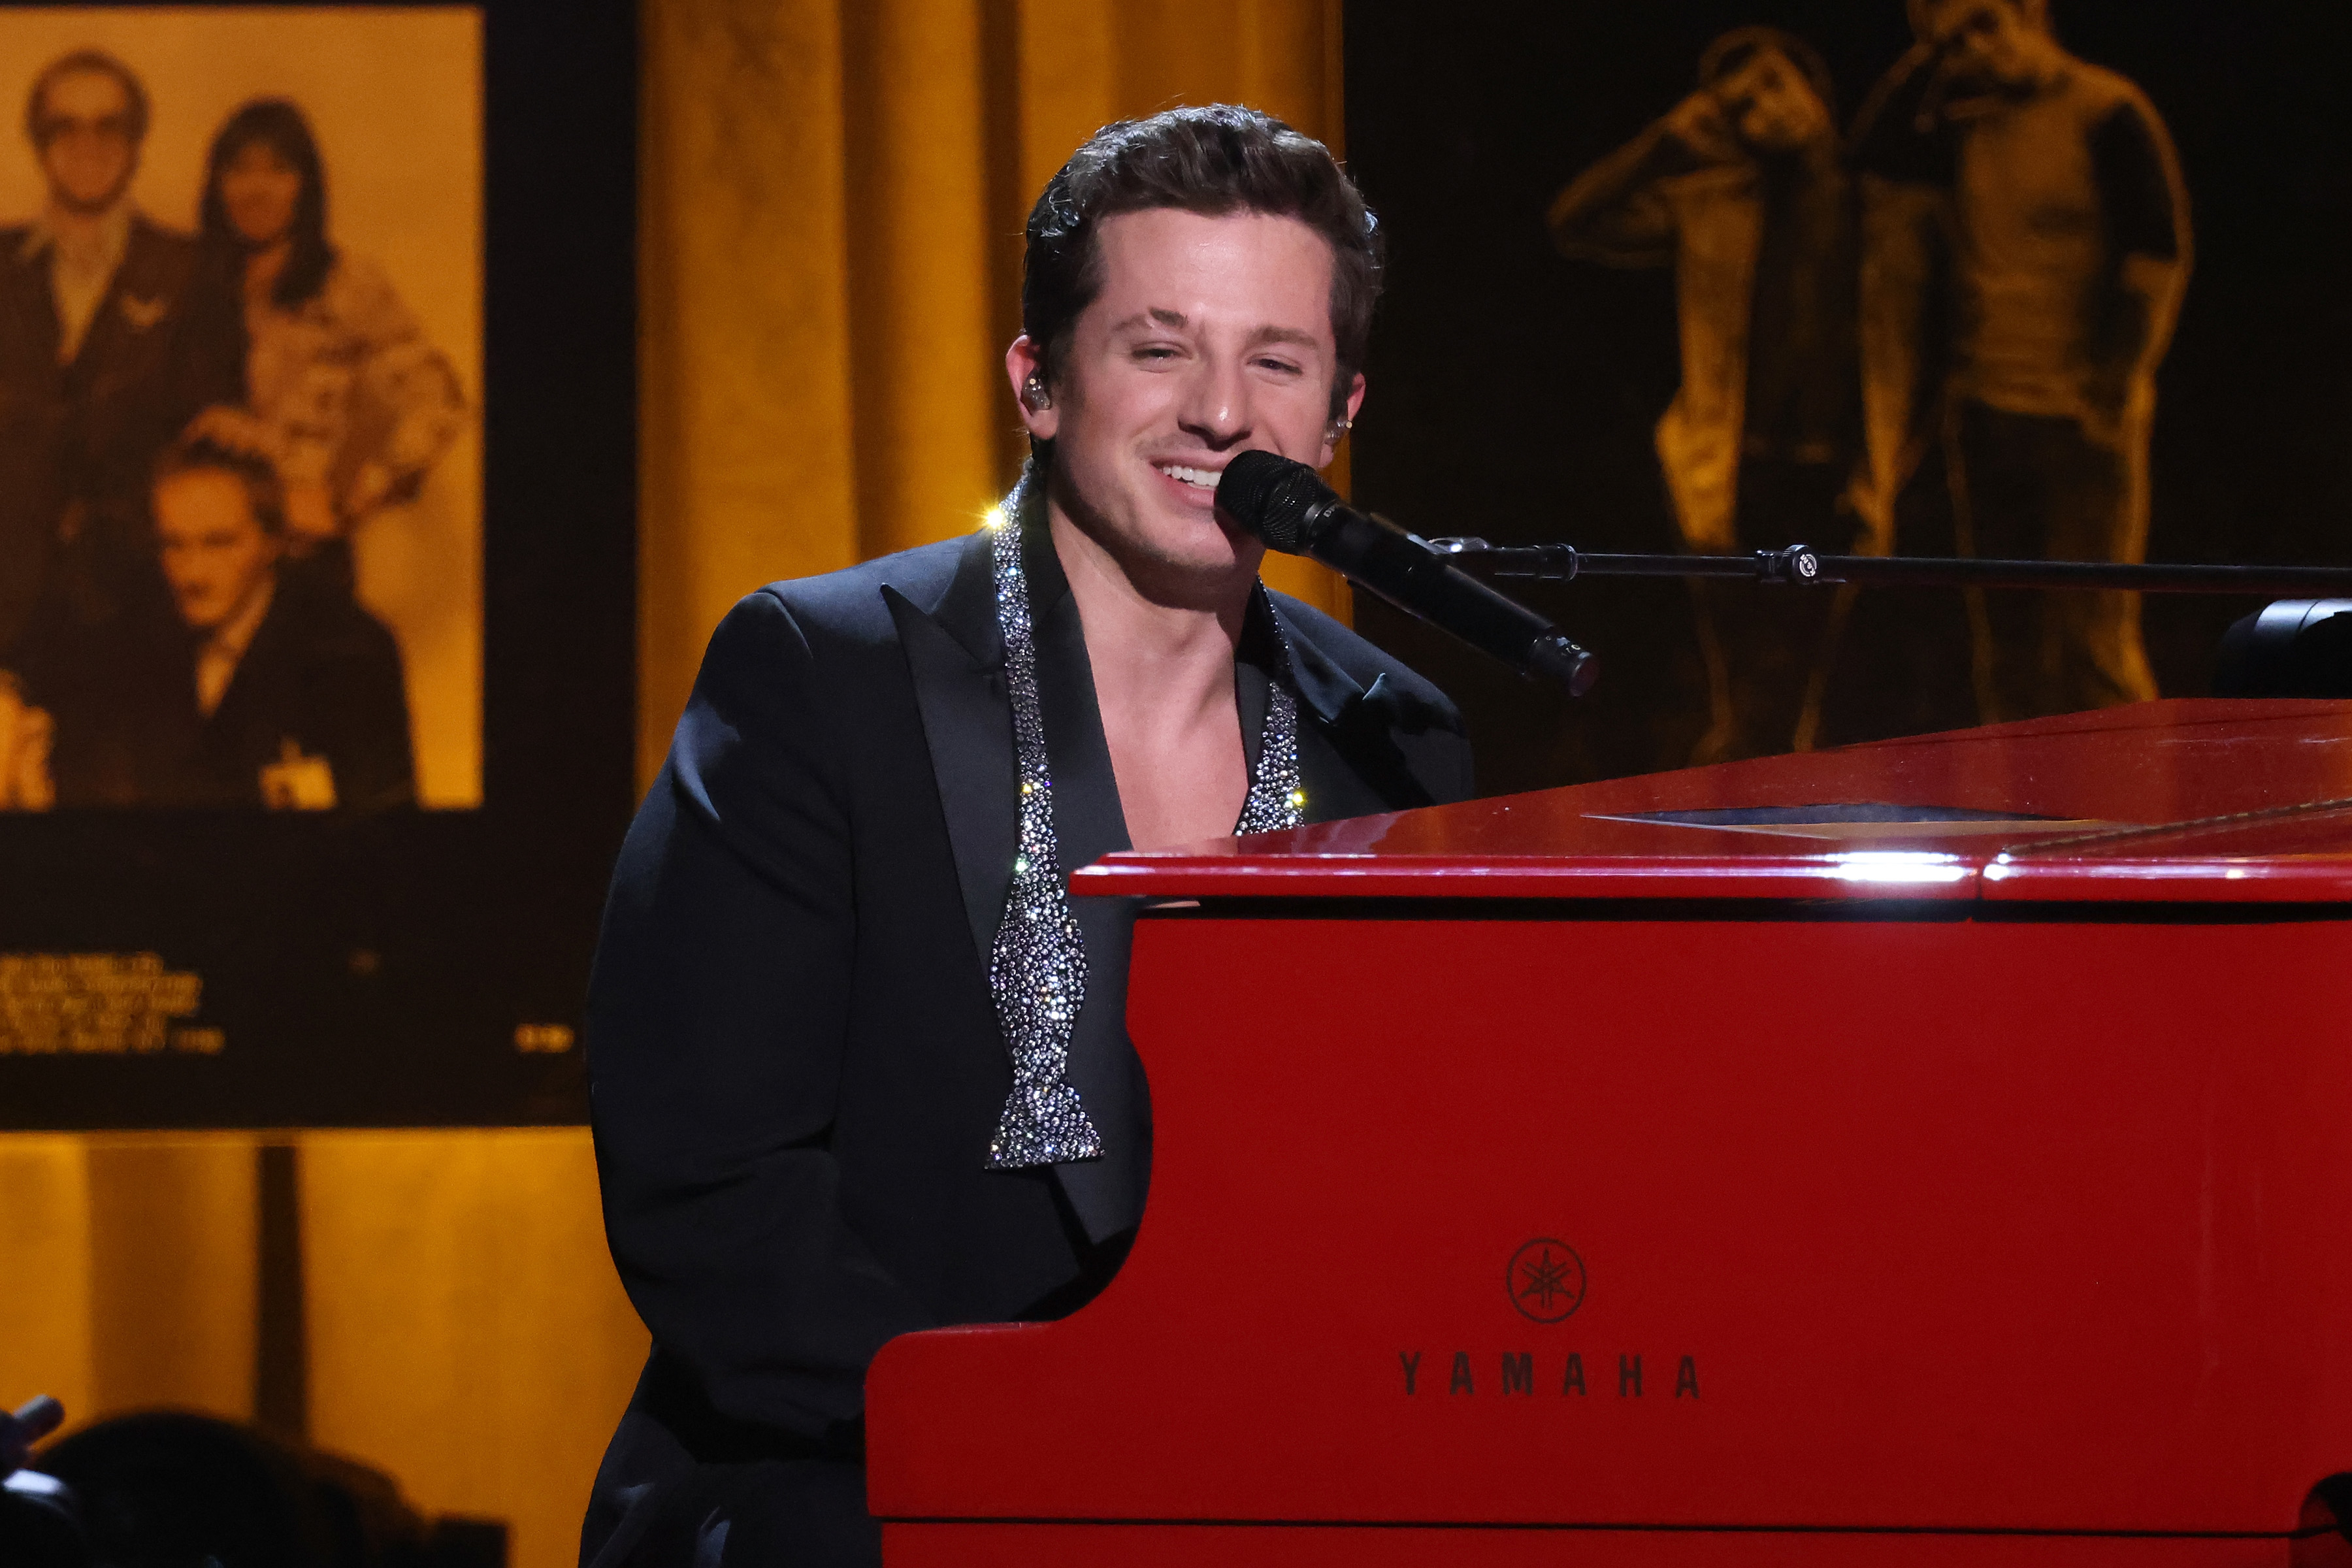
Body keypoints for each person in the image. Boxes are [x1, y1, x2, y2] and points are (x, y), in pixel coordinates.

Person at [580, 105, 1474, 1567]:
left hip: (1251, 1492)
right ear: (1039, 383)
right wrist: (1047, 1446)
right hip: (864, 1488)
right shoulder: (817, 672)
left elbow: (1406, 1195)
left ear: (1341, 414)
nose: (1220, 413)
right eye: (1159, 346)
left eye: (1275, 361)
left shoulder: (1394, 735)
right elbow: (712, 1197)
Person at [1852, 0, 2190, 722]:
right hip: (1985, 414)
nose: (1973, 50)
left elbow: (2155, 258)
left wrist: (2110, 389)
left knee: (2091, 641)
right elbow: (1868, 162)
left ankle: (2142, 820)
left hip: (2079, 420)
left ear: (2028, 13)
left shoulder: (2106, 110)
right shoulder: (1968, 123)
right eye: (1952, 43)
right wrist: (1925, 60)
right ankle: (2028, 821)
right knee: (2002, 643)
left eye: (1984, 24)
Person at [1549, 27, 1861, 762]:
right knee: (1751, 680)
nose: (1766, 110)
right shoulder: (1714, 203)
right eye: (1741, 104)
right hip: (1736, 471)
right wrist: (1667, 140)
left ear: (1816, 87)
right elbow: (1578, 222)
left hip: (1849, 475)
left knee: (1819, 685)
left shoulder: (1882, 205)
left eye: (1775, 85)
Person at [0, 50, 242, 672]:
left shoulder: (195, 271)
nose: (89, 144)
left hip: (144, 616)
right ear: (37, 142)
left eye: (110, 125)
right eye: (66, 126)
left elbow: (211, 441)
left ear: (137, 142)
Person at [18, 435, 414, 809]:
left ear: (272, 541)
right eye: (173, 545)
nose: (192, 574)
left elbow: (383, 840)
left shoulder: (351, 650)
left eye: (219, 543)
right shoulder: (136, 632)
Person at [187, 98, 463, 572]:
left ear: (306, 185)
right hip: (200, 556)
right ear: (217, 184)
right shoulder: (185, 282)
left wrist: (359, 493)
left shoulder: (347, 285)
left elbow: (440, 399)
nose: (257, 189)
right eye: (239, 170)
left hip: (303, 556)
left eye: (279, 170)